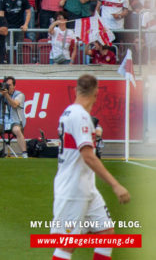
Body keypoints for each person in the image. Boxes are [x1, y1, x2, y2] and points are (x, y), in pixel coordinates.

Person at [50, 74, 130, 260]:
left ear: (77, 90)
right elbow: (88, 156)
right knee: (67, 246)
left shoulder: (69, 111)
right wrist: (115, 185)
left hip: (85, 188)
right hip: (72, 190)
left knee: (106, 233)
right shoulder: (81, 116)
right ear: (96, 93)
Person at [0, 76, 28, 158]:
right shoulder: (0, 94)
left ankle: (24, 153)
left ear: (14, 86)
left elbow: (14, 105)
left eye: (9, 85)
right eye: (6, 85)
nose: (8, 87)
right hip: (2, 121)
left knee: (17, 130)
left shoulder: (19, 95)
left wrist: (6, 95)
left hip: (15, 120)